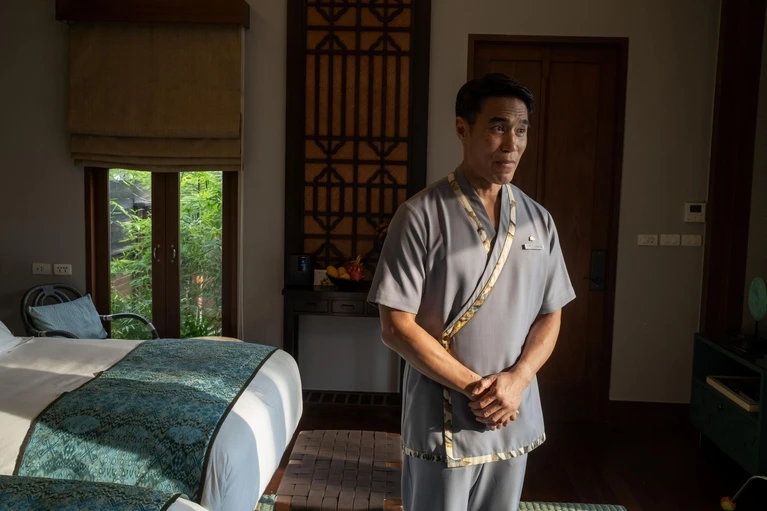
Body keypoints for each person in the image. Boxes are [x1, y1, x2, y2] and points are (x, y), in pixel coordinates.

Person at [366, 73, 576, 511]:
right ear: (462, 128)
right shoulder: (420, 216)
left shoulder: (539, 220)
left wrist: (517, 382)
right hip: (443, 419)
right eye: (498, 127)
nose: (512, 144)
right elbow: (396, 326)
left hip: (511, 413)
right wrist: (481, 391)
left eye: (521, 130)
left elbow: (550, 313)